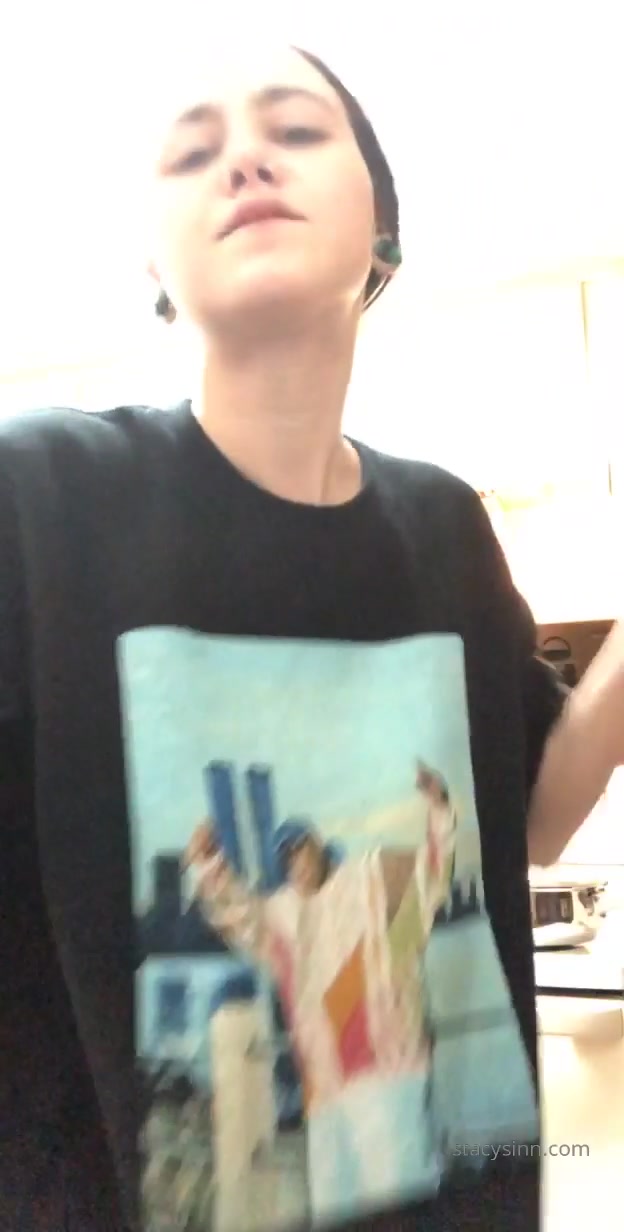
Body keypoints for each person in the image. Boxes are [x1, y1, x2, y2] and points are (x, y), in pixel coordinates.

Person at [1, 38, 622, 1232]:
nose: (244, 159)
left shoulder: (445, 524)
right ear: (153, 261)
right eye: (193, 151)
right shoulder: (41, 494)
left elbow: (527, 817)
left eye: (293, 128)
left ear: (382, 228)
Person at [184, 762, 456, 1222]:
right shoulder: (282, 917)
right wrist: (210, 863)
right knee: (333, 1210)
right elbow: (237, 914)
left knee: (400, 1199)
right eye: (285, 857)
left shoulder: (368, 881)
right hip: (325, 1094)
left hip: (389, 1076)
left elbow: (431, 879)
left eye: (299, 846)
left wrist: (440, 809)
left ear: (319, 844)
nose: (295, 860)